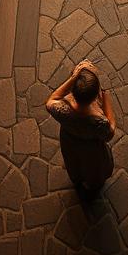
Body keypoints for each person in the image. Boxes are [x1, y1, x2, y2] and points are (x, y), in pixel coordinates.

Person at [46, 59, 117, 198]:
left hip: (70, 144)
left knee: (74, 163)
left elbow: (51, 100)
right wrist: (106, 97)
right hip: (92, 152)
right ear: (96, 95)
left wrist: (73, 78)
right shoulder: (99, 122)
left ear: (72, 91)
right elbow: (110, 132)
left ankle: (77, 179)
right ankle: (93, 185)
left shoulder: (62, 110)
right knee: (93, 170)